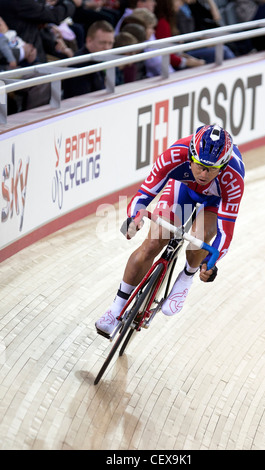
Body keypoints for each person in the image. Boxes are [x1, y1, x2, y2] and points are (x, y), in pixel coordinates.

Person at [95, 124, 245, 337]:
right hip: (182, 188)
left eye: (211, 169)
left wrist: (210, 264)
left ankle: (186, 277)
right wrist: (134, 218)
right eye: (200, 166)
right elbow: (143, 195)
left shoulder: (233, 179)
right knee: (153, 243)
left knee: (198, 239)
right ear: (191, 156)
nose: (203, 174)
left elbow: (225, 234)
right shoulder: (175, 154)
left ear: (222, 166)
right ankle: (115, 310)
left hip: (213, 202)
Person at [0, 0, 79, 63]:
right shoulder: (17, 2)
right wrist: (72, 3)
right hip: (26, 57)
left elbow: (36, 20)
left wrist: (55, 42)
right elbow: (52, 15)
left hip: (36, 50)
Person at [63, 20, 114, 98]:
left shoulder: (103, 59)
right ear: (89, 40)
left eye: (110, 43)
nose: (107, 48)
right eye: (102, 43)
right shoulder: (79, 64)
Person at [154, 0, 205, 70]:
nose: (180, 4)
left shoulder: (169, 20)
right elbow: (168, 55)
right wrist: (188, 62)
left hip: (179, 54)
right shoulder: (162, 23)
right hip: (172, 63)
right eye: (177, 1)